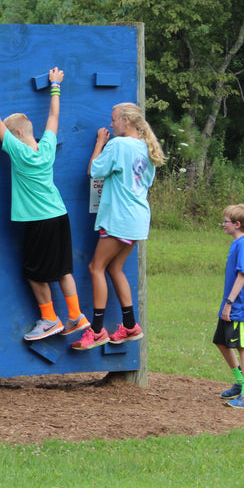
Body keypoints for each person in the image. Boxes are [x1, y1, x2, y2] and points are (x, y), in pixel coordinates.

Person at [0, 66, 90, 341]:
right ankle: (76, 315)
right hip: (59, 215)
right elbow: (53, 116)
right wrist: (55, 85)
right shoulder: (47, 146)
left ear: (15, 133)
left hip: (38, 221)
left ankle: (50, 319)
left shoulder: (19, 152)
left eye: (7, 132)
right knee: (63, 269)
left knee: (33, 273)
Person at [71, 102, 166, 350]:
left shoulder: (118, 144)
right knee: (115, 269)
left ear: (126, 120)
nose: (111, 124)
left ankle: (97, 330)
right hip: (137, 218)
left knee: (95, 268)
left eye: (114, 119)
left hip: (119, 218)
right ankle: (130, 325)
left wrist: (99, 144)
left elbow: (94, 171)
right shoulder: (146, 148)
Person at [214, 204, 244, 408]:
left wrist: (230, 303)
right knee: (221, 341)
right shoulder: (236, 243)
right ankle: (240, 382)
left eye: (226, 221)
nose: (223, 224)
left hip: (240, 308)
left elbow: (242, 275)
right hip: (231, 305)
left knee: (243, 346)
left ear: (237, 224)